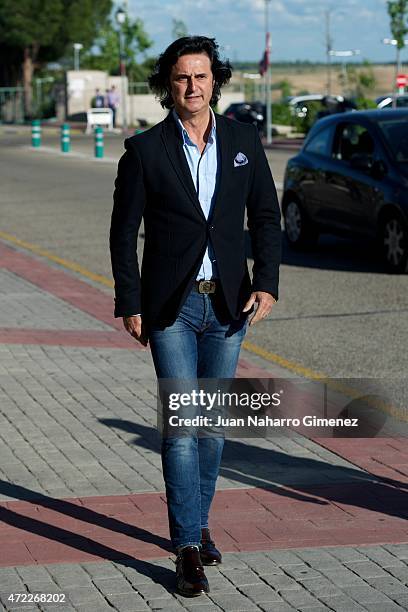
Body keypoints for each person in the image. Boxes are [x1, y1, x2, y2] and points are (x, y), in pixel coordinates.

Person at [110, 36, 281, 597]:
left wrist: (269, 286)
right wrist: (130, 302)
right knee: (183, 427)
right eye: (182, 78)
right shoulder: (144, 150)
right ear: (169, 84)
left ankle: (200, 524)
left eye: (201, 77)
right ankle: (186, 546)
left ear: (215, 81)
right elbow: (122, 234)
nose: (192, 87)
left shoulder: (242, 140)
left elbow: (267, 218)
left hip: (230, 305)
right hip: (171, 308)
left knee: (211, 429)